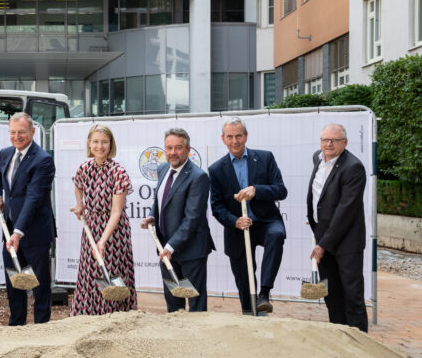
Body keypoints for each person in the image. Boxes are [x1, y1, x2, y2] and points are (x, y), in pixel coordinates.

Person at [208, 117, 288, 316]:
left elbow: (281, 190)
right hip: (238, 228)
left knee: (276, 235)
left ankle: (265, 294)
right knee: (244, 279)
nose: (235, 141)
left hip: (267, 221)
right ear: (223, 139)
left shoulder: (265, 158)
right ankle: (249, 313)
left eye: (239, 136)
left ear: (246, 136)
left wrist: (257, 190)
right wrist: (234, 221)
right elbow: (217, 207)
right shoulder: (216, 169)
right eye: (230, 137)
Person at [0, 113, 56, 326]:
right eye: (13, 132)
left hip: (34, 231)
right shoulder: (6, 153)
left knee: (39, 284)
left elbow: (33, 199)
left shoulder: (43, 160)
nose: (16, 137)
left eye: (21, 132)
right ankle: (17, 327)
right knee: (15, 281)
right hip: (9, 229)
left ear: (33, 132)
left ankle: (41, 328)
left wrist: (18, 232)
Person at [140, 128, 214, 312]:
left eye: (178, 148)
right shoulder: (163, 168)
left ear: (188, 150)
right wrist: (152, 215)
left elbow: (192, 218)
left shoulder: (198, 177)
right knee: (174, 305)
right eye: (169, 148)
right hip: (166, 250)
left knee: (196, 307)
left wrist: (170, 247)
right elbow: (159, 201)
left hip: (191, 252)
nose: (173, 152)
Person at [307, 123, 368, 333]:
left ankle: (359, 341)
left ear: (345, 143)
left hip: (346, 242)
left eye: (335, 140)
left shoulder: (353, 167)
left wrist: (322, 245)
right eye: (325, 140)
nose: (329, 144)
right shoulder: (318, 158)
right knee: (331, 295)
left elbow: (345, 211)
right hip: (323, 237)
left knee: (352, 295)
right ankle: (339, 337)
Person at [69, 124, 136, 315]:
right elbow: (78, 184)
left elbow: (116, 212)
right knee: (89, 272)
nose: (100, 146)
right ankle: (88, 314)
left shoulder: (118, 172)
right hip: (91, 227)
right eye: (96, 142)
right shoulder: (84, 168)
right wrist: (80, 203)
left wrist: (102, 241)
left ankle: (114, 315)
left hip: (114, 231)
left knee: (113, 271)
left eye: (104, 142)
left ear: (110, 144)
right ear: (89, 143)